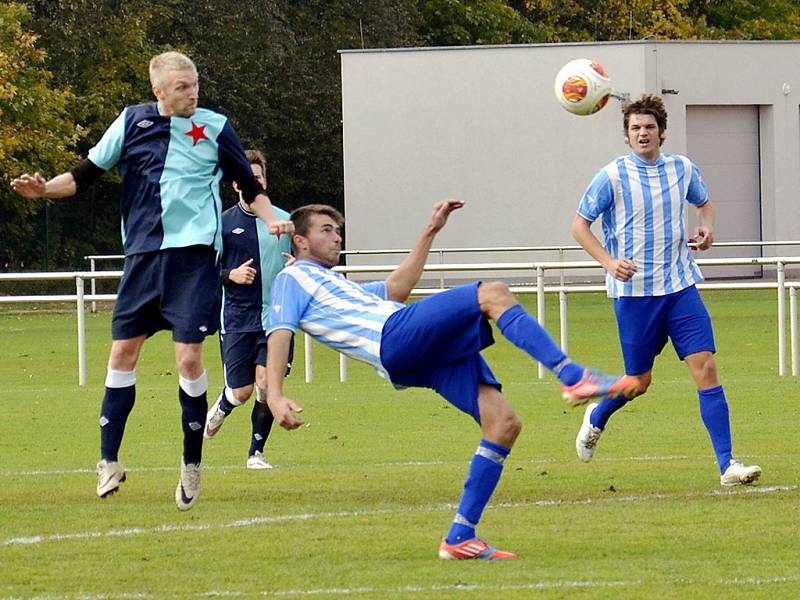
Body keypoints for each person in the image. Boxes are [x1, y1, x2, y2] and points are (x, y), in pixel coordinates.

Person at [264, 199, 637, 560]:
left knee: (503, 423)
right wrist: (276, 395)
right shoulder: (292, 277)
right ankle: (572, 376)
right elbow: (280, 333)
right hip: (393, 337)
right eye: (326, 231)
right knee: (493, 292)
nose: (337, 238)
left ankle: (461, 536)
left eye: (338, 231)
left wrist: (430, 230)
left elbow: (397, 289)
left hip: (407, 357)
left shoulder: (332, 283)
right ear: (299, 240)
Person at [10, 51, 293, 511]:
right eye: (181, 86)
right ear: (158, 91)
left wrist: (271, 220)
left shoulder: (215, 127)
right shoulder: (131, 122)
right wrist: (44, 190)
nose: (192, 92)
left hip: (194, 260)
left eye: (195, 83)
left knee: (187, 360)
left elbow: (250, 185)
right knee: (122, 352)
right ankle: (108, 461)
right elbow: (82, 176)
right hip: (142, 259)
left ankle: (191, 463)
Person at [571, 93, 761, 487]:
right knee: (638, 382)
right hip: (635, 295)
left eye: (650, 127)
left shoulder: (682, 169)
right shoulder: (611, 176)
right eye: (636, 128)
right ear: (626, 136)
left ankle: (727, 465)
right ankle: (598, 415)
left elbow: (704, 205)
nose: (643, 133)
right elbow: (579, 226)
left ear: (662, 133)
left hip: (680, 288)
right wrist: (609, 262)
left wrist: (707, 229)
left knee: (706, 367)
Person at [204, 149, 294, 470]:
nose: (253, 182)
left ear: (265, 182)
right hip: (237, 318)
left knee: (267, 383)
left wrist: (300, 265)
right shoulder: (223, 224)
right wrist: (231, 274)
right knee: (242, 391)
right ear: (236, 184)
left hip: (277, 320)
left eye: (258, 177)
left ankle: (256, 452)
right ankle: (224, 405)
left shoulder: (284, 223)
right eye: (247, 177)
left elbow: (308, 261)